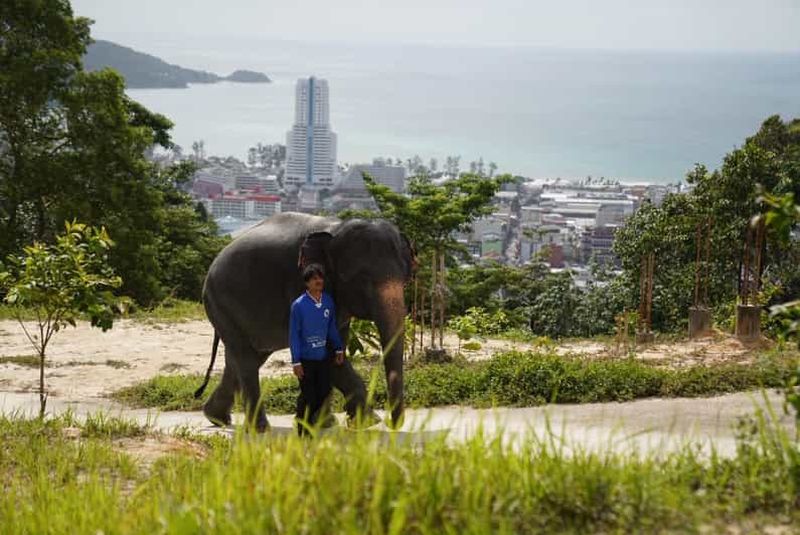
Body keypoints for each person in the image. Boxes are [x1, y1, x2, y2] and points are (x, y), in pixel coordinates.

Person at [289, 263, 345, 436]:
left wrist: (338, 348)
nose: (319, 281)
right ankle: (302, 429)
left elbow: (331, 328)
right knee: (308, 395)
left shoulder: (328, 301)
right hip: (305, 359)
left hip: (322, 356)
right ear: (307, 283)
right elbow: (294, 335)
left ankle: (307, 421)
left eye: (320, 277)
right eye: (314, 278)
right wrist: (296, 361)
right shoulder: (298, 305)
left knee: (324, 392)